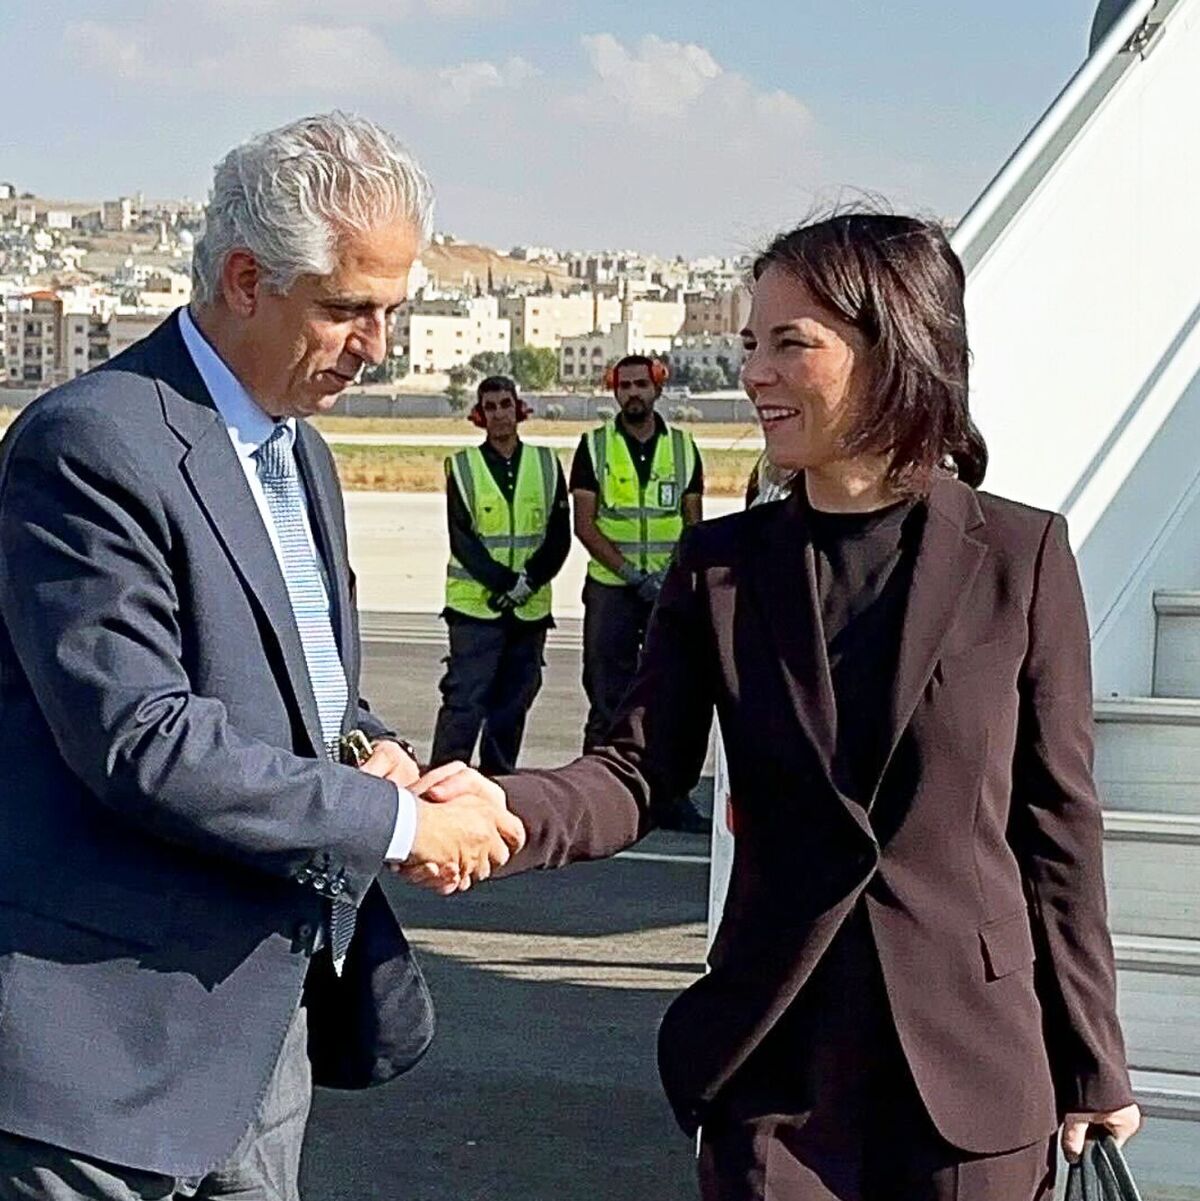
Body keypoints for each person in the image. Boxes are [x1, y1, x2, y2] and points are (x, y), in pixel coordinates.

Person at [408, 213, 1140, 1201]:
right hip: (776, 1069)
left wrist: (1092, 1053)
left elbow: (1057, 827)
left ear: (898, 349)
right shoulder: (721, 569)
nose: (754, 373)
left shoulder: (1021, 558)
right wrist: (509, 805)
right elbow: (636, 767)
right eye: (751, 343)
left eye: (790, 343)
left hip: (973, 1081)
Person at [0, 112, 522, 1201]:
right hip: (106, 1056)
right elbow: (143, 740)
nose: (375, 346)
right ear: (244, 278)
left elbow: (301, 686)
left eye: (391, 310)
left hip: (256, 1038)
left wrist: (374, 751)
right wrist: (404, 827)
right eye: (346, 309)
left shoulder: (301, 454)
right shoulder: (91, 441)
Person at [570, 353, 705, 829]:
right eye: (624, 385)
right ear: (614, 392)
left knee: (672, 690)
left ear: (657, 388)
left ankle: (670, 794)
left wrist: (670, 577)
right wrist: (631, 574)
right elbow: (584, 525)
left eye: (640, 384)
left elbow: (693, 523)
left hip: (667, 590)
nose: (632, 393)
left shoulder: (685, 449)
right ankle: (593, 797)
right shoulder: (594, 448)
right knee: (606, 690)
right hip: (613, 589)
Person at [429, 375, 570, 774]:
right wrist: (506, 584)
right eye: (490, 407)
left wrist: (528, 582)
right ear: (480, 415)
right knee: (465, 700)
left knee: (515, 701)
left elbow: (559, 536)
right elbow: (463, 539)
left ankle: (498, 780)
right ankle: (442, 781)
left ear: (518, 408)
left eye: (505, 405)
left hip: (529, 609)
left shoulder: (545, 464)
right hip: (476, 609)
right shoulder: (463, 466)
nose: (499, 415)